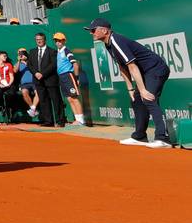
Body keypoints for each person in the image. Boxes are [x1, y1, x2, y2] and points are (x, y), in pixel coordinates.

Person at [86, 17, 173, 147]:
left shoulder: (116, 41)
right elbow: (122, 67)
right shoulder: (107, 43)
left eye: (93, 30)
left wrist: (143, 90)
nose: (91, 33)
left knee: (149, 98)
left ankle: (163, 138)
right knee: (137, 100)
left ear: (104, 31)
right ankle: (139, 136)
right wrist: (130, 89)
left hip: (156, 69)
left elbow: (132, 66)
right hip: (145, 72)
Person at [28, 32, 63, 127]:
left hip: (50, 80)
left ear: (44, 40)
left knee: (56, 100)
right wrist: (36, 73)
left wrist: (42, 74)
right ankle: (48, 121)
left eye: (40, 39)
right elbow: (29, 65)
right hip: (38, 80)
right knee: (43, 101)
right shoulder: (32, 52)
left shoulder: (52, 51)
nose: (39, 41)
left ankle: (60, 121)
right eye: (37, 39)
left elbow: (53, 65)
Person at [52, 33, 84, 126]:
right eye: (56, 41)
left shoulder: (67, 51)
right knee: (69, 99)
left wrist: (76, 77)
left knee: (74, 98)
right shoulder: (58, 52)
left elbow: (75, 64)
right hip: (61, 77)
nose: (58, 42)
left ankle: (81, 120)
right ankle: (77, 120)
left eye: (60, 40)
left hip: (69, 75)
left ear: (64, 41)